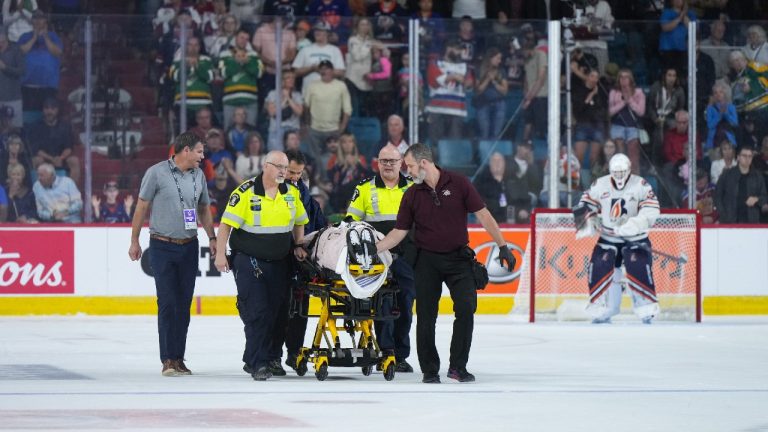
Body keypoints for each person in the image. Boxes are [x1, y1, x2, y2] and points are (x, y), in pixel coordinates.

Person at [375, 143, 516, 384]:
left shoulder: (458, 184)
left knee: (466, 308)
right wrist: (374, 249)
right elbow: (399, 232)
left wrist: (503, 246)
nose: (406, 172)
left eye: (408, 166)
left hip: (458, 259)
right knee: (426, 315)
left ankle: (457, 367)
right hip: (426, 260)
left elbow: (483, 215)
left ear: (423, 163)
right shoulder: (411, 194)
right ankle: (430, 369)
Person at [128, 132, 217, 377]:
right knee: (167, 302)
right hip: (162, 245)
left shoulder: (199, 175)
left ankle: (179, 358)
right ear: (185, 150)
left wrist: (212, 237)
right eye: (199, 151)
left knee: (183, 304)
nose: (202, 156)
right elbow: (142, 206)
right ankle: (167, 358)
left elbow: (203, 209)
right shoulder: (156, 172)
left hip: (189, 246)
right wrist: (134, 240)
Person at [214, 150, 309, 381]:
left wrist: (298, 244)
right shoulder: (245, 192)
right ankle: (258, 363)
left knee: (278, 313)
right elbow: (226, 225)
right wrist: (220, 254)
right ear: (266, 166)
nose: (283, 172)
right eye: (278, 167)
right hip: (249, 260)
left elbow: (299, 222)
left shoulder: (291, 193)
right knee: (257, 312)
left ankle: (269, 358)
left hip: (280, 262)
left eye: (285, 168)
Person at [346, 144, 416, 373]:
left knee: (405, 306)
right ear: (377, 162)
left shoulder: (414, 189)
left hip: (407, 258)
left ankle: (400, 355)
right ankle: (387, 352)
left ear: (401, 163)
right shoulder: (364, 189)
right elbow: (351, 222)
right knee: (383, 306)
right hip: (376, 259)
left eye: (392, 161)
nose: (388, 165)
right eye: (384, 161)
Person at [573, 153, 661, 325]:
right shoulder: (600, 184)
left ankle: (646, 308)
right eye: (616, 172)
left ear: (629, 170)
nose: (619, 176)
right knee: (600, 266)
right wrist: (589, 221)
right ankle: (606, 307)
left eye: (622, 172)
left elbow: (652, 208)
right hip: (608, 238)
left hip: (635, 238)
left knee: (638, 266)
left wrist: (635, 224)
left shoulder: (641, 184)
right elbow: (584, 202)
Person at [272, 148, 327, 375]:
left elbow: (320, 229)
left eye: (298, 173)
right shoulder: (268, 194)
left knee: (299, 311)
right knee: (276, 311)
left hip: (300, 264)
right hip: (276, 261)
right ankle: (273, 356)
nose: (294, 177)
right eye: (291, 172)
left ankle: (294, 353)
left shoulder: (309, 201)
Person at [27, 97, 79, 183]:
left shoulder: (65, 126)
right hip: (45, 158)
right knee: (36, 160)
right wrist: (52, 159)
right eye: (46, 108)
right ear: (43, 110)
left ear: (57, 110)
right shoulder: (35, 127)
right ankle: (41, 191)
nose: (49, 112)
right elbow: (36, 150)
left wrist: (60, 158)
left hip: (61, 159)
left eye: (52, 108)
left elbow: (69, 147)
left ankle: (72, 192)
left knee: (74, 160)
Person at [714, 146, 768, 224]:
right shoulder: (727, 175)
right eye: (744, 156)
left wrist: (756, 199)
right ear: (738, 157)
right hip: (730, 222)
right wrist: (723, 215)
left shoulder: (758, 176)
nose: (747, 158)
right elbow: (717, 196)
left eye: (750, 156)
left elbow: (764, 197)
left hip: (752, 222)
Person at [0, 25, 25, 130]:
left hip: (13, 98)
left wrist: (5, 67)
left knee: (14, 129)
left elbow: (21, 71)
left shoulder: (15, 50)